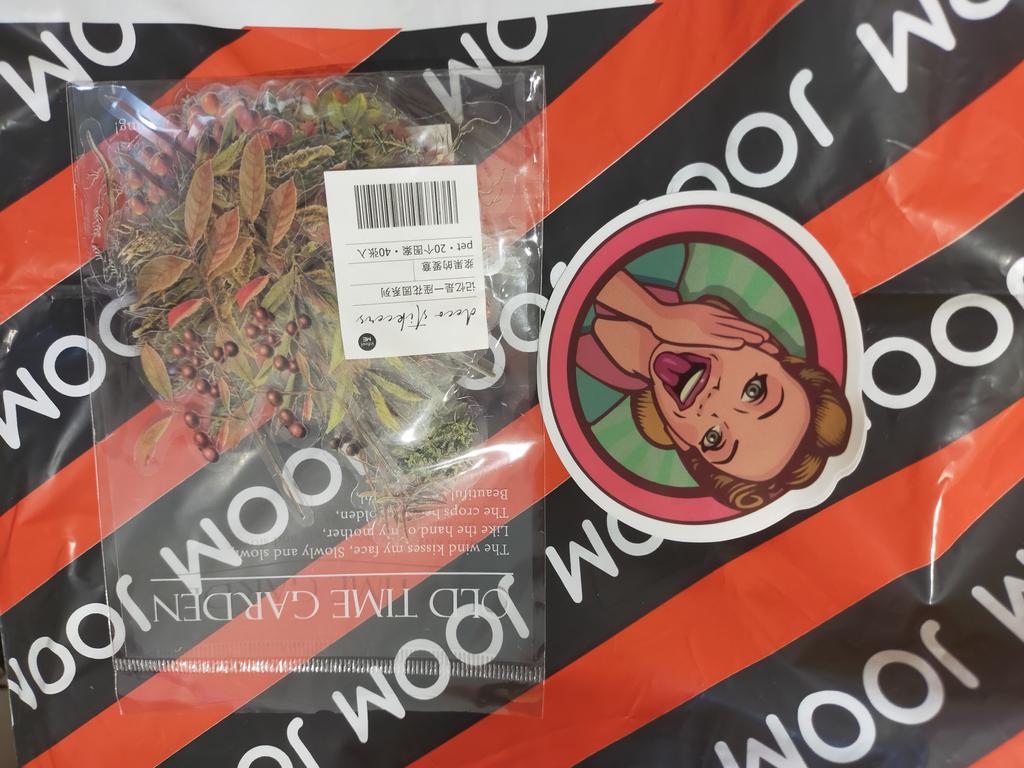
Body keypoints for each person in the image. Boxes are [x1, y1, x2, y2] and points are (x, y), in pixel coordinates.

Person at [581, 269, 852, 512]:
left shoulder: (588, 406)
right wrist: (654, 313)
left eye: (714, 438)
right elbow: (585, 268)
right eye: (754, 391)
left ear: (679, 438)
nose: (711, 403)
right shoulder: (664, 264)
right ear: (763, 346)